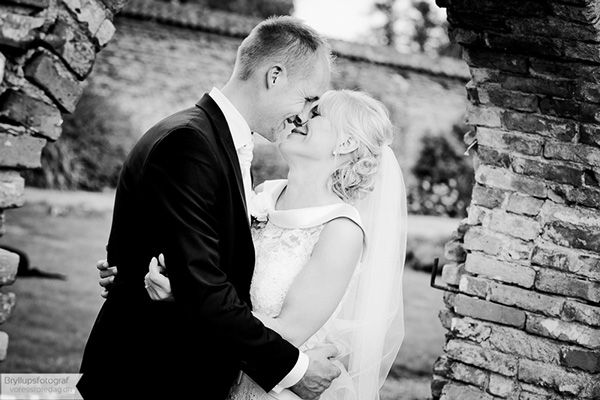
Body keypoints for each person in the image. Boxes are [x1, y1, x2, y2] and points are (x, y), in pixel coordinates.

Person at [78, 16, 341, 399]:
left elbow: (196, 268)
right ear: (275, 76)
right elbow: (204, 290)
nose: (304, 116)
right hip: (151, 375)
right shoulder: (189, 144)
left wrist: (135, 270)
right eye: (308, 99)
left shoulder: (216, 141)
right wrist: (294, 370)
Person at [98, 89, 408, 399]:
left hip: (267, 384)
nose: (301, 117)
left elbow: (289, 332)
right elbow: (203, 262)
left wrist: (186, 294)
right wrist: (133, 272)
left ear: (347, 143)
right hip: (208, 369)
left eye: (316, 114)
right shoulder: (263, 194)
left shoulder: (341, 230)